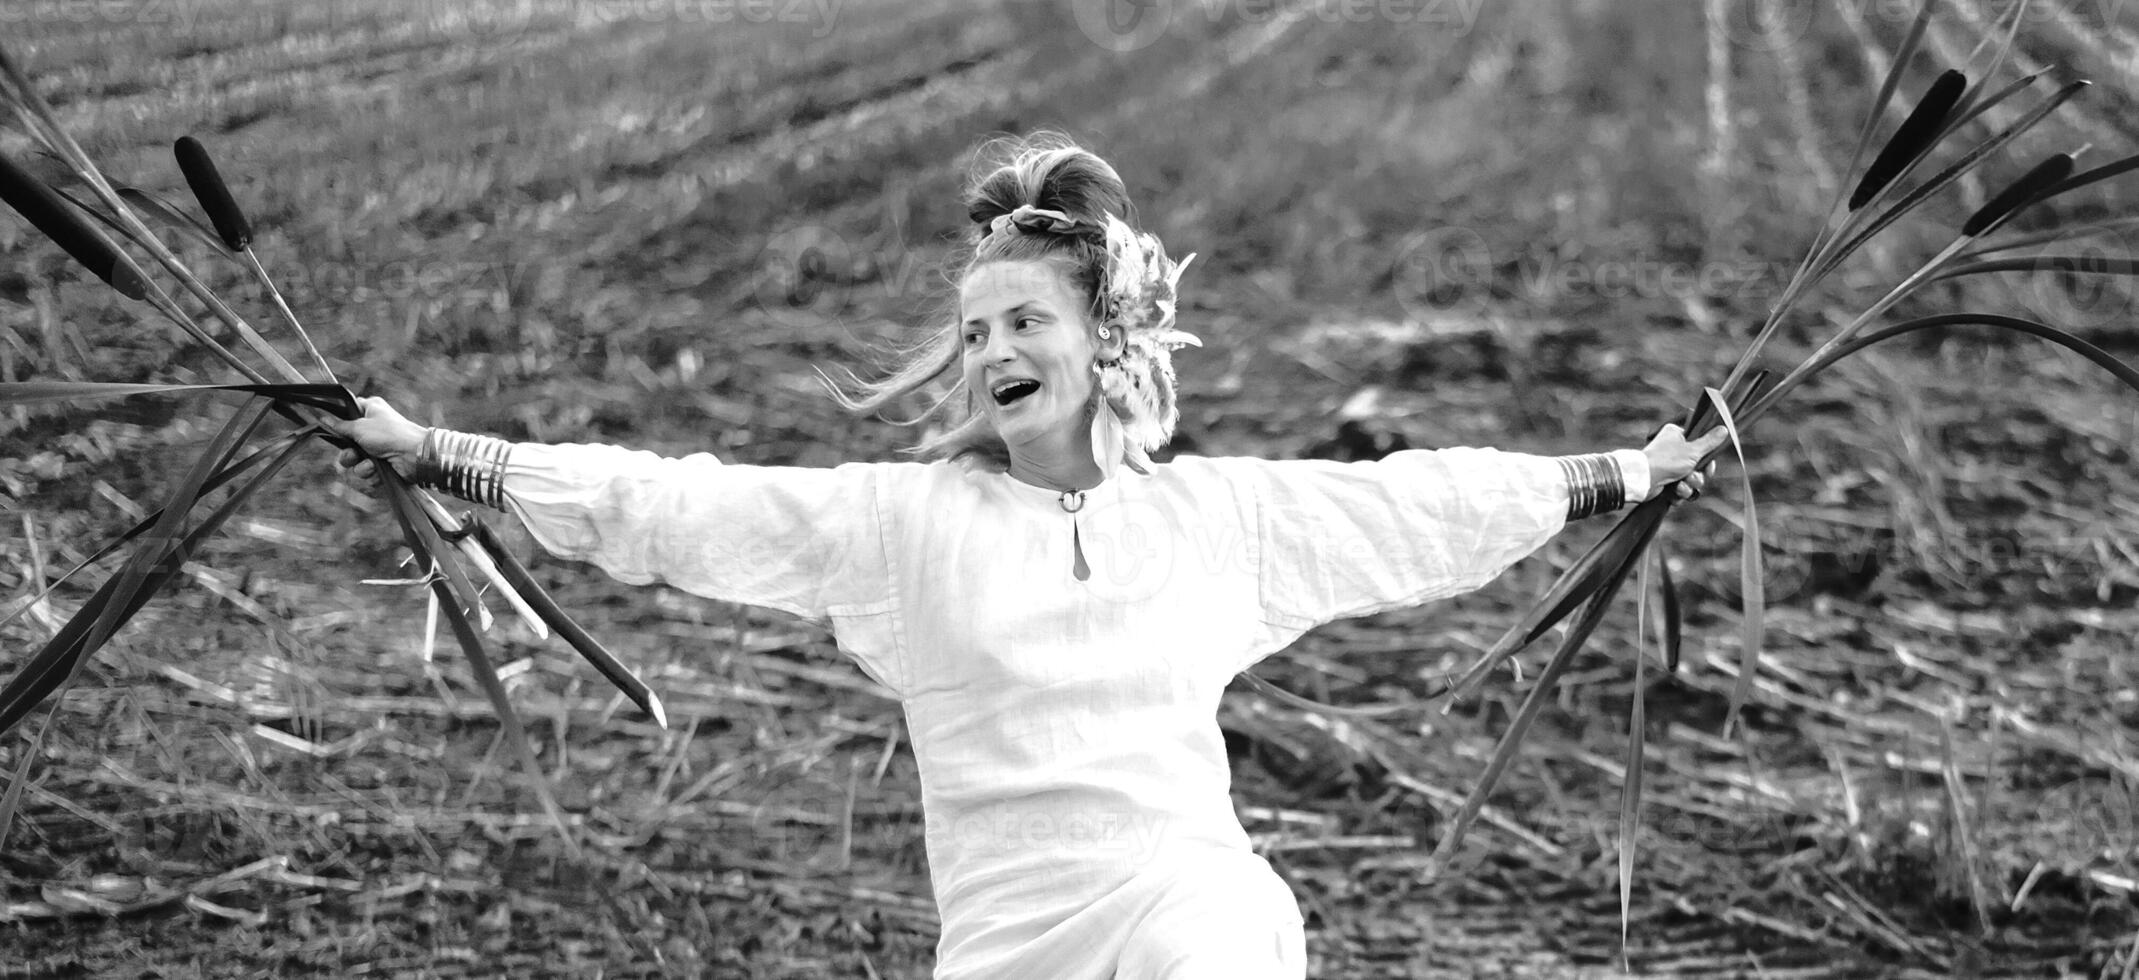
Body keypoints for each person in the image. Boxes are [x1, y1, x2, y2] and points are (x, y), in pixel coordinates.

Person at [329, 133, 1725, 980]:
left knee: (1237, 939)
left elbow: (1416, 505)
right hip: (1012, 928)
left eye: (1024, 322)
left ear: (1104, 339)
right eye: (977, 329)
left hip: (1187, 894)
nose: (992, 348)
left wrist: (1627, 474)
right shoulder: (905, 524)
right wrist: (443, 450)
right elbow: (679, 505)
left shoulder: (1213, 519)